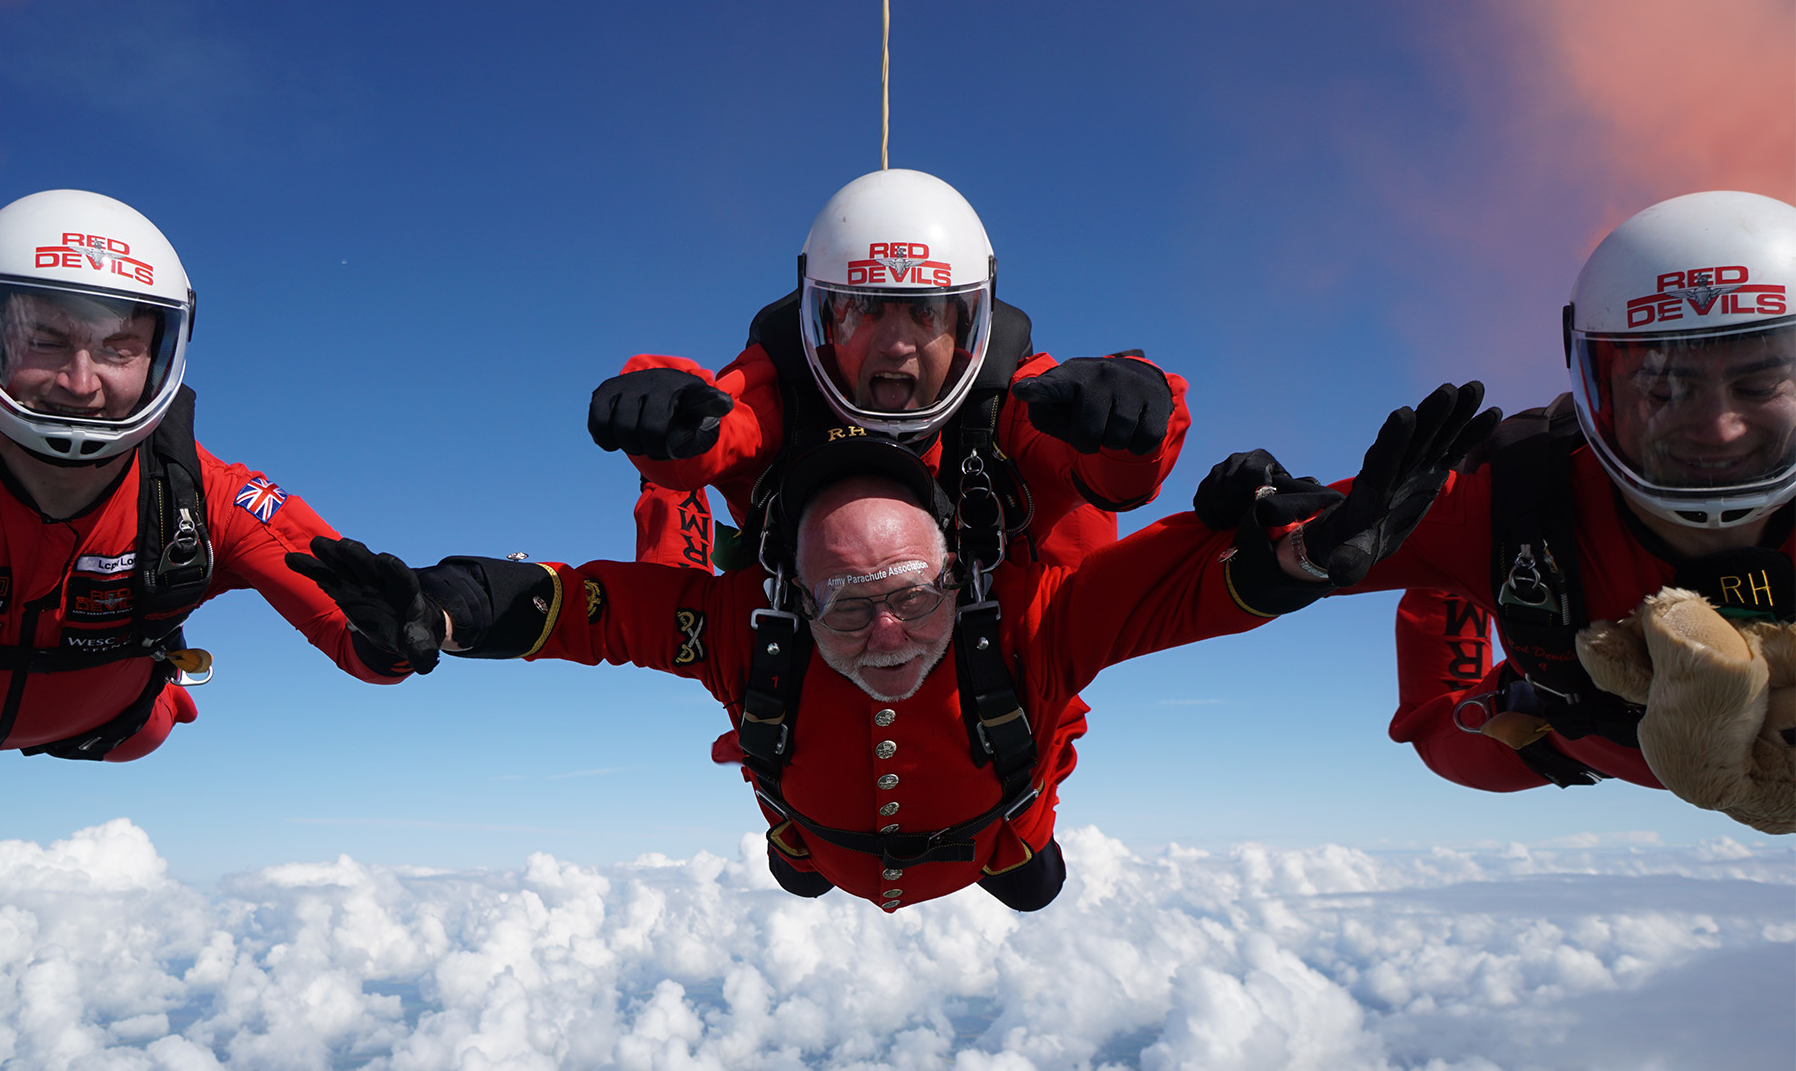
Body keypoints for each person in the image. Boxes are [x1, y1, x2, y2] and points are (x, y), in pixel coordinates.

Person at [289, 382, 1493, 909]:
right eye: (843, 604)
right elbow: (578, 607)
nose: (885, 635)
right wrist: (440, 607)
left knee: (1027, 876)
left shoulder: (1030, 617)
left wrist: (1310, 552)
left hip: (995, 833)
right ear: (787, 593)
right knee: (808, 861)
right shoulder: (739, 627)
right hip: (829, 828)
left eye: (914, 595)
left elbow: (1183, 588)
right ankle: (815, 856)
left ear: (959, 573)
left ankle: (959, 855)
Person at [1205, 191, 1794, 823]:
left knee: (1454, 732)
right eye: (1664, 389)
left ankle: (1470, 583)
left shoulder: (1496, 507)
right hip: (1555, 725)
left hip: (1570, 731)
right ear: (1601, 387)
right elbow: (1228, 564)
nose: (1719, 430)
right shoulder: (1496, 502)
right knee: (1445, 738)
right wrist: (1274, 543)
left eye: (1759, 384)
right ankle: (1462, 583)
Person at [0, 189, 430, 762]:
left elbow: (359, 636)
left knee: (143, 732)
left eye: (119, 350)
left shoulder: (206, 498)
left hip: (112, 726)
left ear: (159, 356)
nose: (80, 383)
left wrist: (413, 627)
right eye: (44, 341)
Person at [586, 169, 1190, 573]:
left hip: (989, 697)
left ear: (966, 327)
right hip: (808, 692)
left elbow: (1099, 472)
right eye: (864, 310)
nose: (896, 344)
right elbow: (723, 430)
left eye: (926, 313)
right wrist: (665, 425)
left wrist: (1131, 425)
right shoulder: (786, 391)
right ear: (824, 320)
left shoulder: (1009, 404)